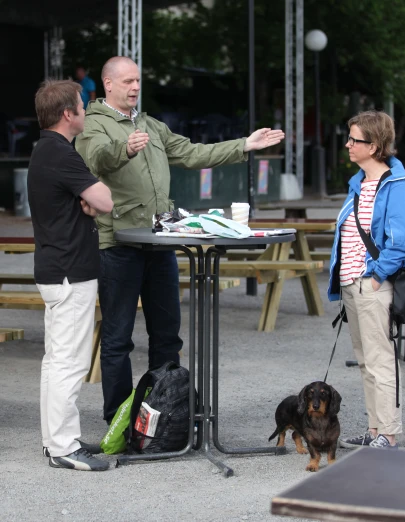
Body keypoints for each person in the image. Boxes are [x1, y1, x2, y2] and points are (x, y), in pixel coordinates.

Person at [74, 56, 285, 424]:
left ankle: (164, 415)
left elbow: (192, 153)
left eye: (138, 80)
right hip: (118, 245)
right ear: (107, 84)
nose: (135, 87)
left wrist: (244, 146)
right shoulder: (94, 125)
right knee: (118, 339)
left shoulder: (149, 124)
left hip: (159, 243)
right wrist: (124, 149)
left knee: (168, 338)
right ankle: (120, 422)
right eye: (127, 81)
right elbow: (96, 159)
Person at [28, 79, 114, 471]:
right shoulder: (62, 154)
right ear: (68, 113)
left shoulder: (44, 150)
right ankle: (63, 449)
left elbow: (89, 201)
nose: (85, 109)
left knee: (55, 361)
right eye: (81, 104)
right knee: (69, 363)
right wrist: (91, 199)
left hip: (55, 269)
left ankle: (58, 441)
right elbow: (105, 200)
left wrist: (88, 200)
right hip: (70, 273)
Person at [326, 110, 405, 450]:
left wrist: (377, 277)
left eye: (355, 140)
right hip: (352, 284)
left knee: (380, 360)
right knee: (366, 362)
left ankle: (389, 434)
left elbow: (401, 243)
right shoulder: (358, 183)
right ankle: (375, 429)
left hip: (371, 285)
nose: (348, 145)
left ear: (375, 145)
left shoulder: (397, 187)